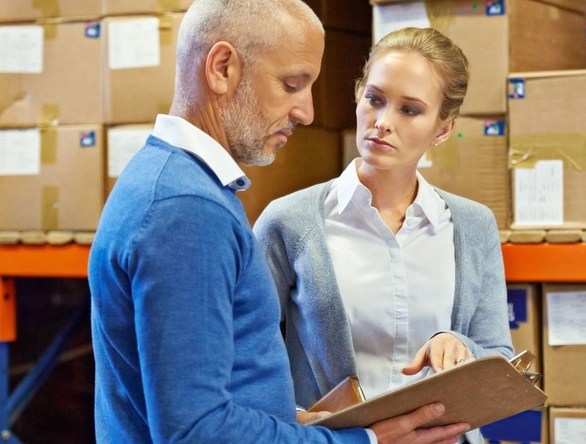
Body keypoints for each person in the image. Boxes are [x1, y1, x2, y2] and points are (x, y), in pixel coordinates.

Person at [88, 1, 471, 443]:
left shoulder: (170, 181)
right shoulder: (186, 211)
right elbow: (197, 431)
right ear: (222, 68)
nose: (306, 112)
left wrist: (287, 421)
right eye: (292, 85)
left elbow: (208, 393)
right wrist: (361, 442)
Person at [254, 27, 514, 444]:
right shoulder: (289, 221)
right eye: (375, 99)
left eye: (410, 110)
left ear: (443, 129)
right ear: (358, 97)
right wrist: (296, 422)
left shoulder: (473, 225)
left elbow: (499, 356)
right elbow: (245, 358)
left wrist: (457, 343)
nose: (383, 122)